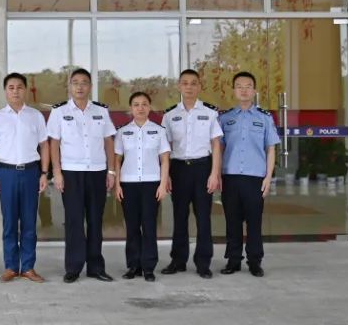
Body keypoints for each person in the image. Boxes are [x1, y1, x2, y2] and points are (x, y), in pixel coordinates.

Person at [47, 68, 117, 283]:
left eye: (84, 82)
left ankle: (96, 267)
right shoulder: (59, 112)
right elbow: (54, 144)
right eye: (75, 82)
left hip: (97, 172)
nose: (79, 86)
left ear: (90, 86)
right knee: (74, 221)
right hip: (71, 173)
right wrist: (57, 172)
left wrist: (111, 171)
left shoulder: (101, 111)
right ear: (69, 86)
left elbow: (108, 142)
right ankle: (73, 267)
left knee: (95, 220)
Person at [160, 69, 224, 279]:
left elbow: (216, 145)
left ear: (199, 87)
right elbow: (165, 148)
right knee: (179, 216)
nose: (189, 87)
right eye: (185, 83)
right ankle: (178, 260)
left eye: (193, 83)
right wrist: (166, 175)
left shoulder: (210, 113)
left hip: (202, 168)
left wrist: (215, 174)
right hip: (178, 169)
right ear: (179, 86)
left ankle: (203, 263)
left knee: (203, 217)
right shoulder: (170, 115)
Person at [0, 73, 49, 283]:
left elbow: (44, 145)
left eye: (19, 87)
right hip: (6, 173)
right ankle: (11, 267)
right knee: (10, 222)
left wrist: (44, 173)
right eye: (11, 87)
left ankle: (28, 267)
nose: (15, 91)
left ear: (25, 90)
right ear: (5, 91)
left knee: (29, 221)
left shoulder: (35, 116)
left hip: (31, 172)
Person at [219, 71, 280, 278]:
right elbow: (219, 149)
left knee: (254, 222)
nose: (244, 90)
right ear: (234, 90)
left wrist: (268, 177)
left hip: (255, 178)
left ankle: (255, 261)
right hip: (230, 177)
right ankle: (233, 260)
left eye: (248, 86)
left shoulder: (264, 118)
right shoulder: (225, 119)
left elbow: (271, 148)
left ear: (254, 91)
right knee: (232, 221)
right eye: (239, 86)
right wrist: (217, 175)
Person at [114, 92, 171, 282]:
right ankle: (133, 266)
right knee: (132, 227)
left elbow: (164, 159)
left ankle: (148, 267)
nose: (140, 108)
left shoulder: (159, 130)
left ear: (149, 107)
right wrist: (117, 184)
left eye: (144, 104)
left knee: (149, 226)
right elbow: (117, 160)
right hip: (128, 184)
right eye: (136, 104)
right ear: (131, 108)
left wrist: (163, 184)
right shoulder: (122, 132)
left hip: (151, 184)